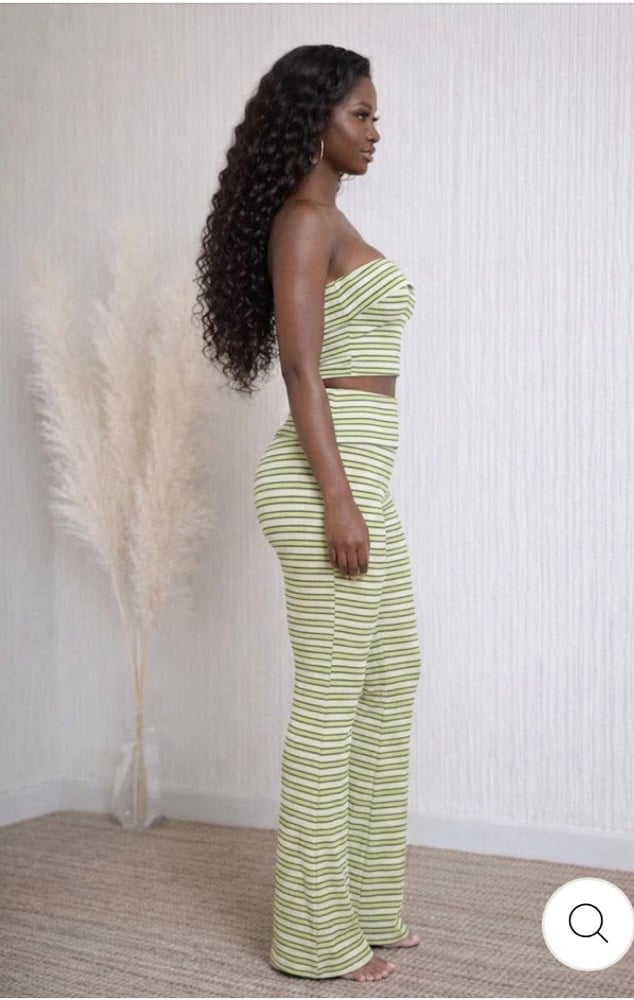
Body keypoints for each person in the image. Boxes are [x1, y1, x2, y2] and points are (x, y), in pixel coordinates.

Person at [194, 43, 422, 983]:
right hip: (326, 481)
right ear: (314, 119)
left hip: (362, 477)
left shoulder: (332, 217)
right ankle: (314, 936)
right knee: (330, 707)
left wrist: (356, 491)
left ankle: (366, 902)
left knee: (391, 677)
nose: (375, 131)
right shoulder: (302, 220)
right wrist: (337, 497)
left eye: (374, 115)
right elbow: (299, 367)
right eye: (360, 114)